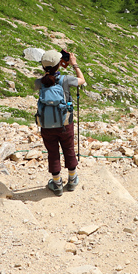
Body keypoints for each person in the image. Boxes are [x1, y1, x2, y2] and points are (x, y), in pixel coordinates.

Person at [35, 49, 87, 196]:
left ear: (44, 67)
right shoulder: (65, 80)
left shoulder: (39, 82)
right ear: (59, 65)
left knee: (53, 152)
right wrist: (74, 64)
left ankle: (57, 184)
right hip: (65, 124)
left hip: (46, 125)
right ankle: (72, 180)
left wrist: (48, 73)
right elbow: (81, 80)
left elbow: (43, 82)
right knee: (69, 149)